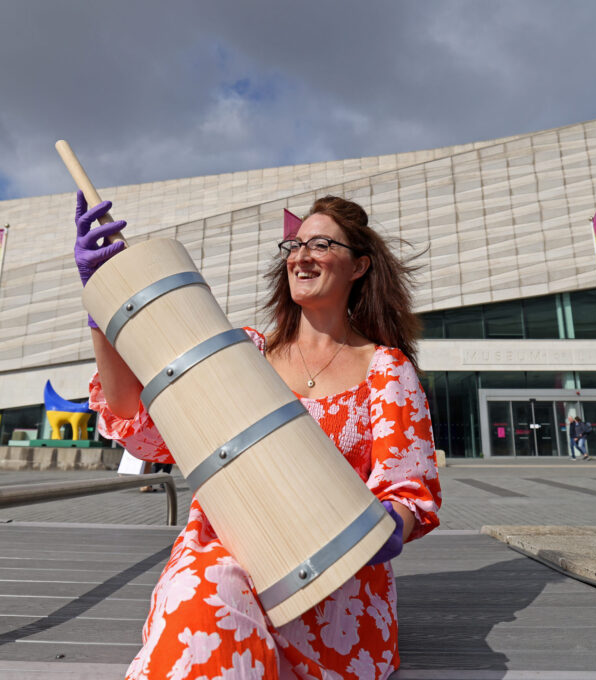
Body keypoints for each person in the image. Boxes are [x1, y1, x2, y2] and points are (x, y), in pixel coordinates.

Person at [73, 191, 442, 679]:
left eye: (322, 244)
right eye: (293, 245)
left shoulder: (386, 371)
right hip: (223, 549)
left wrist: (389, 527)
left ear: (359, 267)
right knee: (205, 594)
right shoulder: (242, 352)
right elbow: (143, 429)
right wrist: (105, 305)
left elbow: (408, 492)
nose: (301, 255)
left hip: (332, 580)